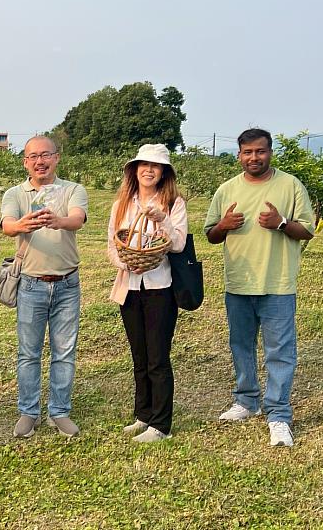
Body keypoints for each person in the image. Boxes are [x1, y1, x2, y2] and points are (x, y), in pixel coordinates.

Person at [204, 128, 314, 447]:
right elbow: (211, 234)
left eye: (260, 151)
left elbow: (306, 231)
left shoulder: (290, 185)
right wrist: (223, 226)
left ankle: (278, 415)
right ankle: (247, 400)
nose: (254, 157)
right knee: (241, 345)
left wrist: (281, 223)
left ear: (270, 152)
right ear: (239, 155)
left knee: (280, 351)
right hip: (238, 283)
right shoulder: (226, 189)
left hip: (277, 282)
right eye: (248, 152)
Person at [0, 136, 88, 438]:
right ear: (25, 162)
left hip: (67, 283)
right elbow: (7, 225)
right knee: (29, 352)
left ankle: (59, 411)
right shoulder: (15, 193)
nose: (40, 161)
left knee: (64, 351)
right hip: (30, 284)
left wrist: (59, 220)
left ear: (57, 157)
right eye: (33, 156)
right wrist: (24, 224)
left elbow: (77, 219)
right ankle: (29, 411)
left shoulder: (73, 190)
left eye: (46, 155)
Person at [106, 144, 187, 443]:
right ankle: (143, 414)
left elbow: (177, 245)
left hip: (160, 289)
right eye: (144, 165)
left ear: (164, 172)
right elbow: (113, 246)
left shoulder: (173, 203)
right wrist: (125, 262)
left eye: (156, 166)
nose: (149, 170)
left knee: (158, 358)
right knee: (139, 356)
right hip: (129, 287)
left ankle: (161, 425)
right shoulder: (122, 204)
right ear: (134, 170)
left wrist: (160, 219)